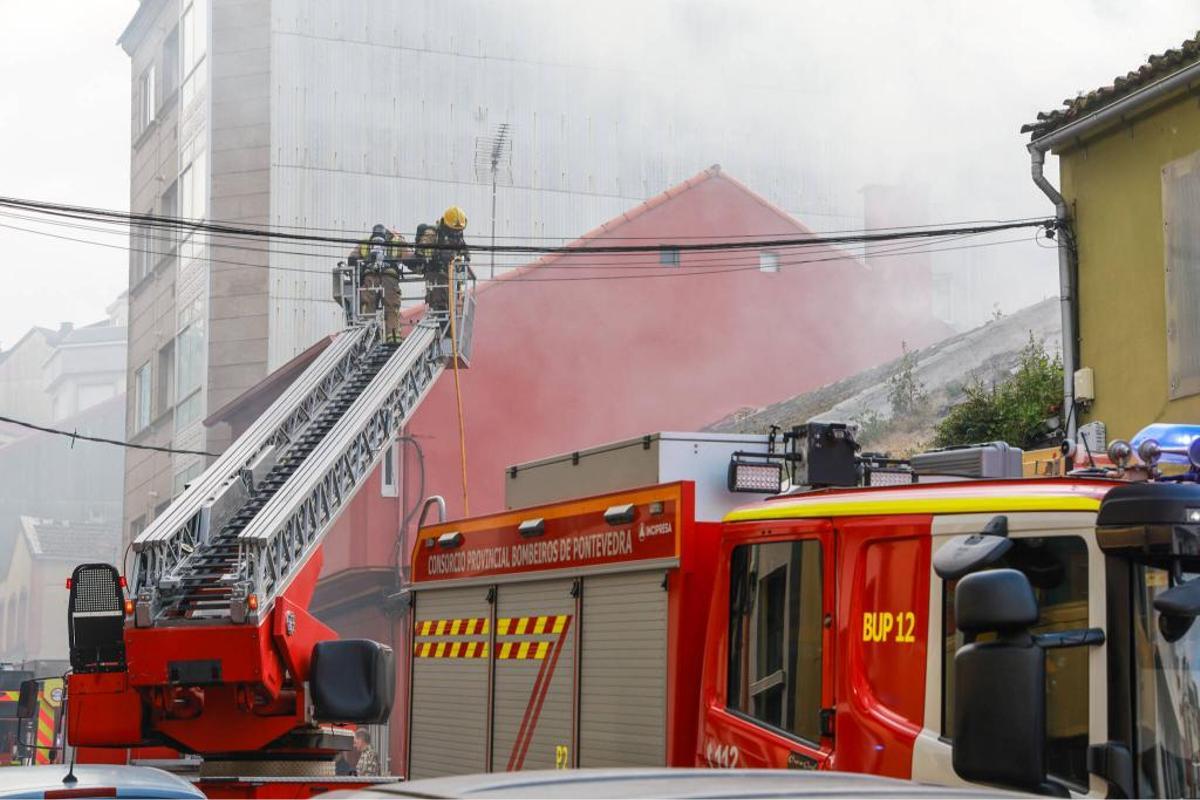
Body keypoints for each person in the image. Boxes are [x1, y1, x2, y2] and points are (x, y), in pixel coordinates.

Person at [351, 224, 409, 340]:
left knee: (367, 305)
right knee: (392, 306)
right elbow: (410, 258)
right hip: (389, 278)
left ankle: (367, 335)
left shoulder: (365, 243)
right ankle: (393, 336)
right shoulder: (397, 242)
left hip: (369, 277)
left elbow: (352, 258)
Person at [425, 207, 469, 314]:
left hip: (452, 276)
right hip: (437, 274)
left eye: (459, 230)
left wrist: (465, 257)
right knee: (440, 303)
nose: (456, 232)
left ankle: (451, 319)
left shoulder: (458, 235)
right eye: (454, 229)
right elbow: (426, 254)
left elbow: (464, 250)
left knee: (452, 306)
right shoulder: (434, 234)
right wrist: (440, 256)